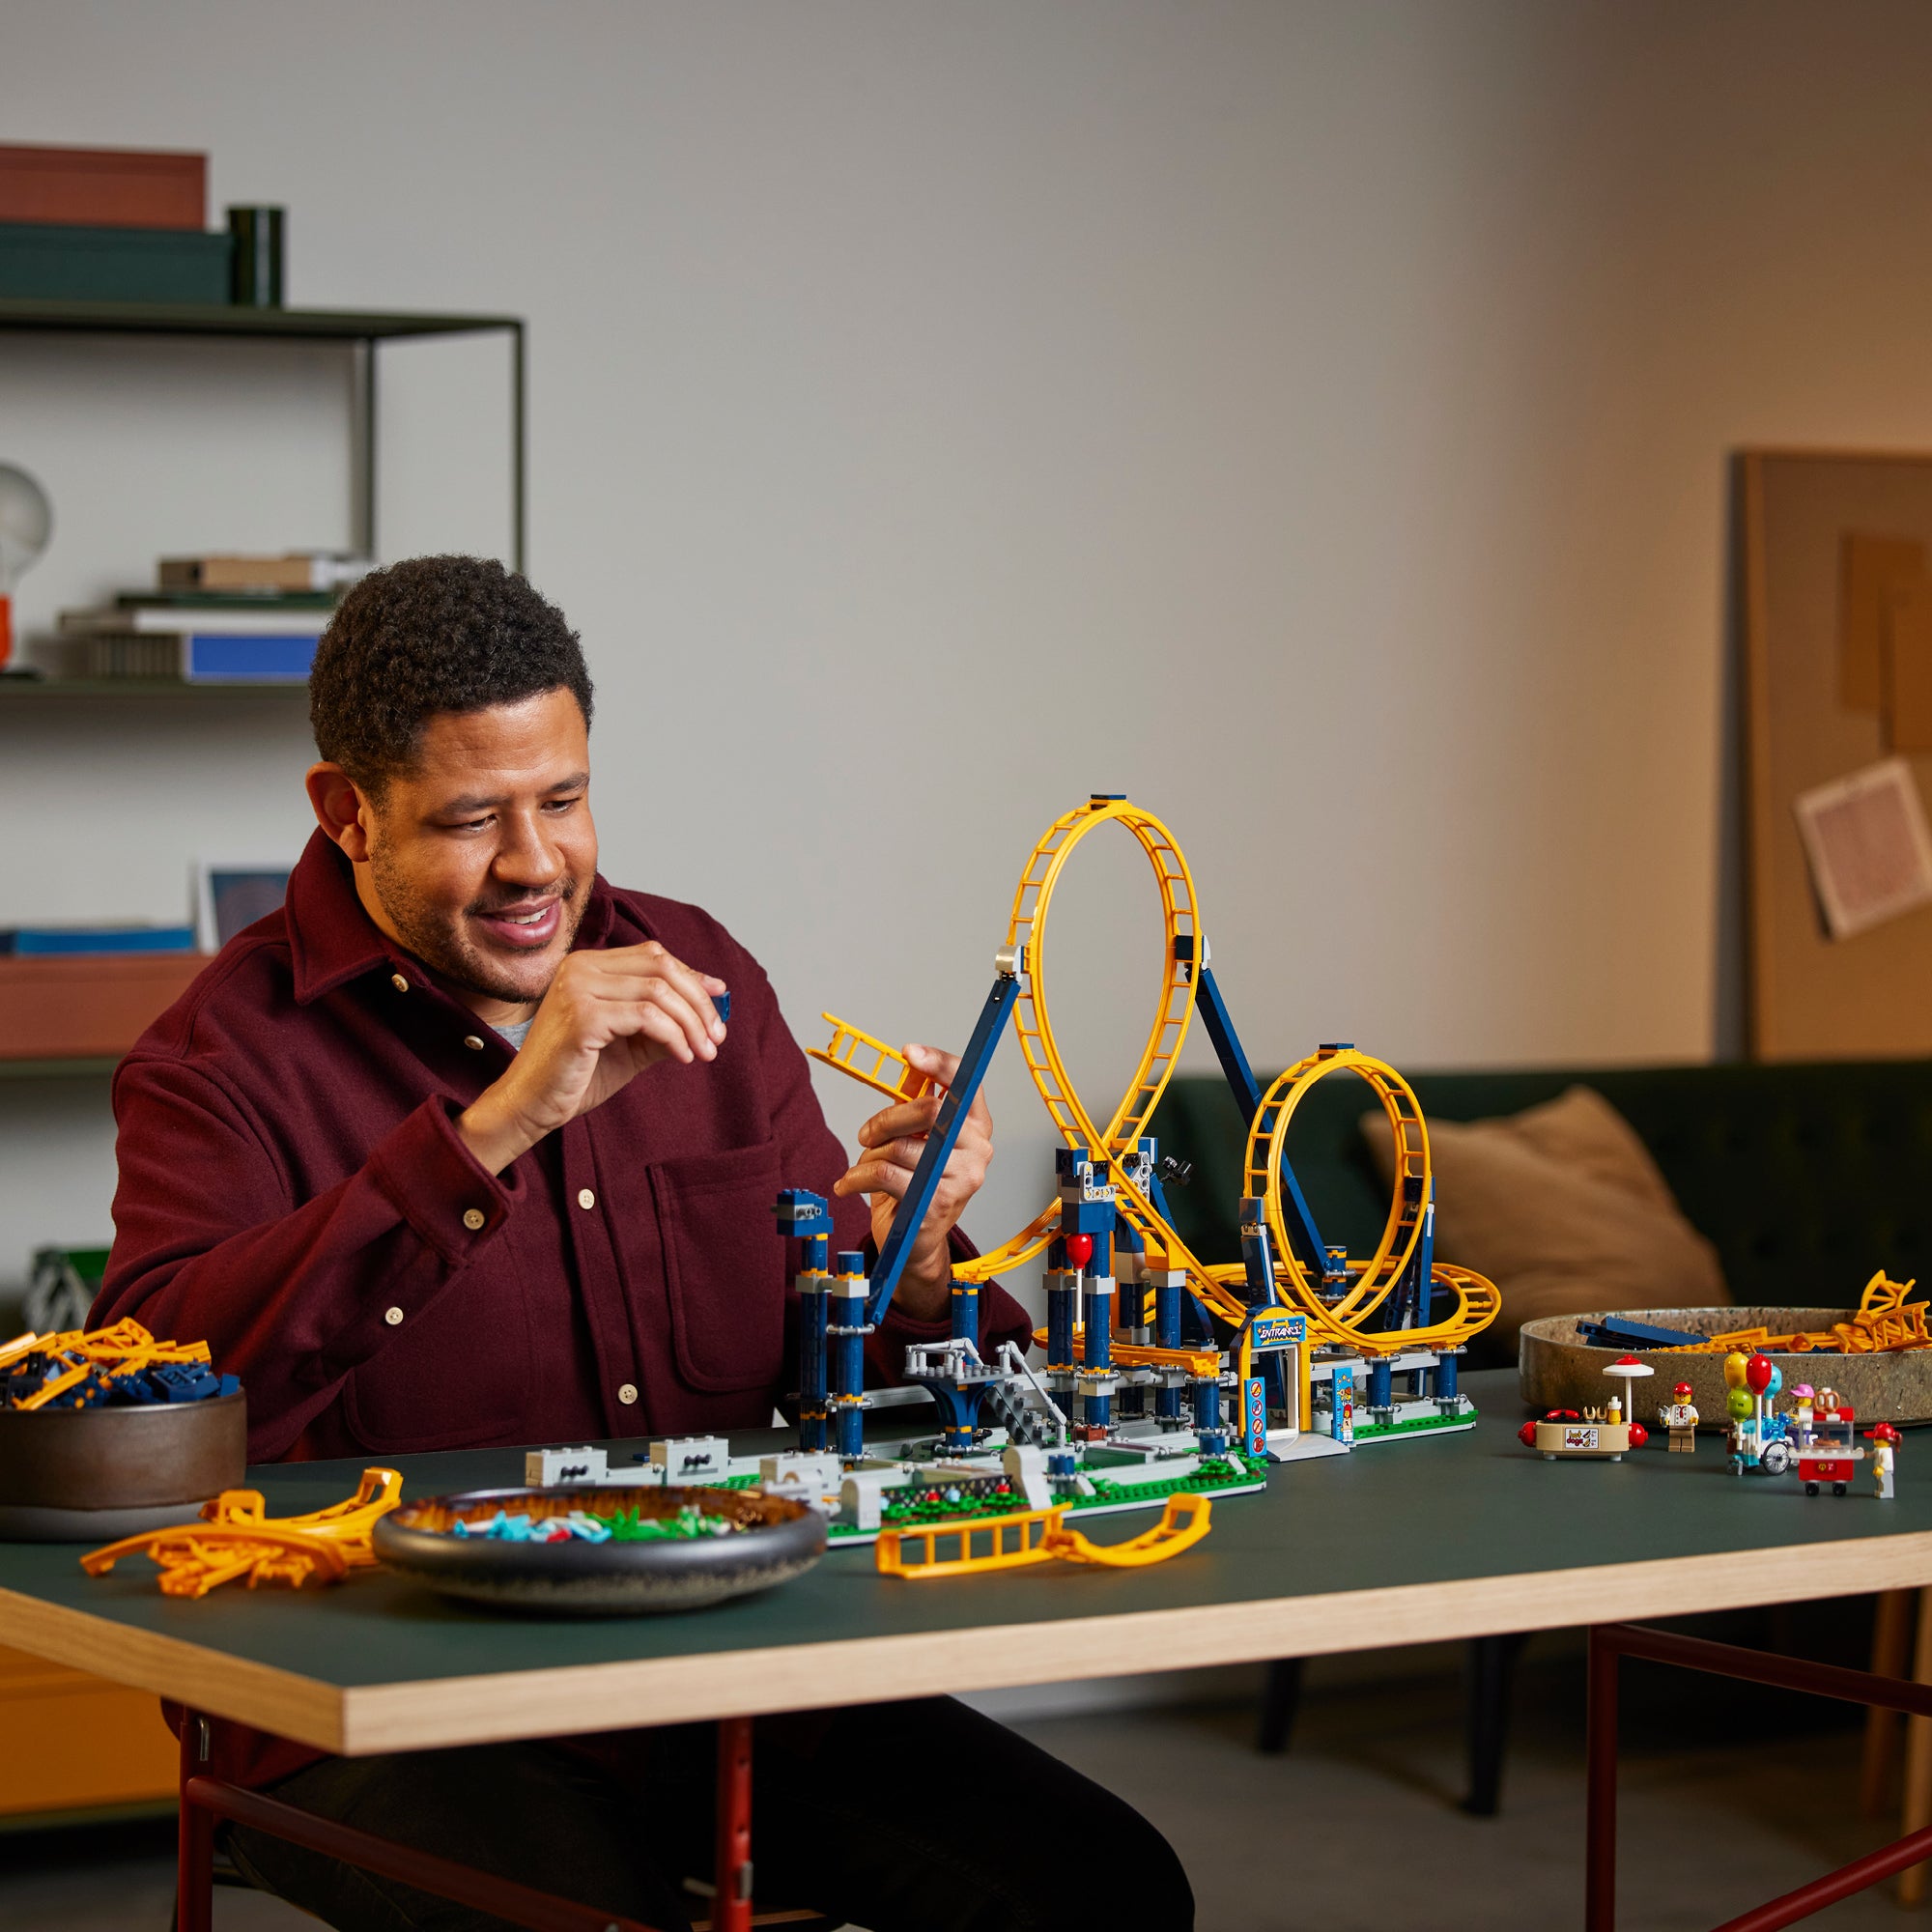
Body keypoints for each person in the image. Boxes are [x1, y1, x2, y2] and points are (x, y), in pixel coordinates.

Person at [96, 556, 1192, 1932]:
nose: (534, 862)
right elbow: (155, 1401)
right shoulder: (215, 1058)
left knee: (1109, 1892)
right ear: (347, 812)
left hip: (718, 1662)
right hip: (381, 1701)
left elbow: (851, 1386)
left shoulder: (699, 971)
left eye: (562, 800)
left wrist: (914, 1270)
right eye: (472, 818)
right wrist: (495, 1127)